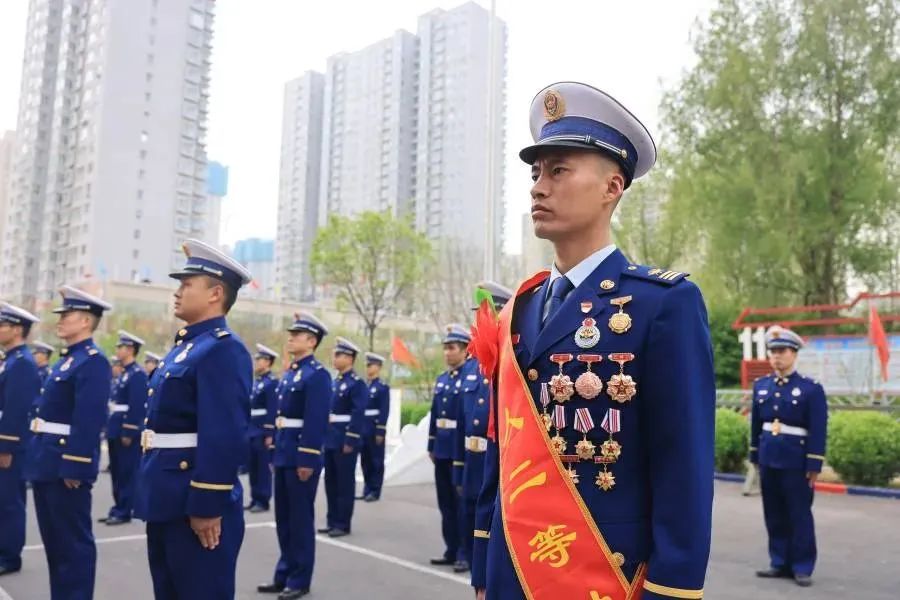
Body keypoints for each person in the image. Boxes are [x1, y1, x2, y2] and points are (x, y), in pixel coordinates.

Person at [472, 82, 715, 600]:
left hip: (604, 572)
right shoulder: (520, 309)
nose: (538, 188)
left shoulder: (662, 304)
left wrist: (671, 591)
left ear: (612, 186)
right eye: (536, 173)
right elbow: (504, 452)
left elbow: (683, 470)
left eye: (559, 171)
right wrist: (483, 561)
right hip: (513, 569)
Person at [134, 239, 253, 600]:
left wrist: (207, 504)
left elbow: (224, 434)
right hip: (165, 494)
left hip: (192, 499)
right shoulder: (185, 348)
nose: (178, 292)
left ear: (216, 293)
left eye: (187, 284)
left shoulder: (223, 349)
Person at [26, 286, 113, 599]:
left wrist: (76, 464)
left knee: (72, 547)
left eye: (67, 315)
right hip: (47, 459)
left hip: (65, 464)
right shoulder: (69, 360)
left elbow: (89, 418)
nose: (60, 320)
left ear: (86, 321)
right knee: (56, 545)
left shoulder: (93, 361)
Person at [258, 313, 332, 599]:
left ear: (311, 341)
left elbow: (315, 421)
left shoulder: (317, 375)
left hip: (300, 456)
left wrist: (307, 458)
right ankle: (284, 573)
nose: (290, 339)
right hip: (284, 453)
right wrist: (274, 452)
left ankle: (299, 579)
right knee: (284, 520)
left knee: (300, 520)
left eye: (296, 335)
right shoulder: (291, 373)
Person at [751, 326, 827, 587]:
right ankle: (779, 561)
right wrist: (755, 456)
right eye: (772, 352)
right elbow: (756, 425)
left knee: (799, 514)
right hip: (769, 457)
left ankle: (802, 566)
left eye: (782, 351)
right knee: (773, 513)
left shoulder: (810, 389)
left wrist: (814, 463)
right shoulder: (761, 386)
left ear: (794, 354)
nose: (776, 357)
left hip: (796, 461)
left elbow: (818, 428)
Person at [457, 282, 512, 578]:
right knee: (471, 508)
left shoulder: (511, 360)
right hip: (475, 452)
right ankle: (468, 558)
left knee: (494, 512)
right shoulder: (475, 366)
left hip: (502, 451)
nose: (478, 323)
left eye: (484, 314)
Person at [0, 303, 42, 576]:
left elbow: (16, 408)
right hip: (5, 440)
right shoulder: (12, 360)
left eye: (2, 325)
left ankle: (9, 555)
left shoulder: (23, 363)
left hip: (11, 445)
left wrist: (6, 446)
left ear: (17, 330)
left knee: (9, 501)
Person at [428, 324, 470, 572]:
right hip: (442, 449)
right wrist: (431, 444)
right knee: (445, 503)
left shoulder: (470, 378)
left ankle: (464, 552)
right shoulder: (442, 380)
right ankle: (451, 548)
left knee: (460, 504)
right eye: (445, 348)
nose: (447, 353)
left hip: (459, 450)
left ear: (465, 350)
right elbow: (435, 415)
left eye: (452, 348)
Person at [318, 337, 367, 538]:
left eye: (339, 355)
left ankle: (342, 523)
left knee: (344, 484)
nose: (335, 358)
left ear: (350, 358)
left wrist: (351, 439)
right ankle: (332, 520)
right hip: (331, 438)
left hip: (344, 439)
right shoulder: (335, 382)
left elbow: (358, 413)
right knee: (331, 482)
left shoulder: (356, 384)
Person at [101, 330, 148, 525]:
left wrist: (129, 430)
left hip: (125, 430)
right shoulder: (125, 373)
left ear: (130, 349)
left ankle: (124, 510)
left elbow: (136, 405)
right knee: (117, 472)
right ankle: (118, 507)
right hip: (115, 428)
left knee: (127, 472)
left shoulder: (137, 374)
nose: (117, 350)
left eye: (120, 347)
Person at [246, 343, 279, 513]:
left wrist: (269, 432)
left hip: (262, 430)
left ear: (267, 362)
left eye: (259, 360)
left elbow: (272, 409)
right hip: (252, 429)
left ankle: (263, 499)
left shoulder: (272, 382)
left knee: (262, 468)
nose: (257, 363)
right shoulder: (258, 382)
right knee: (253, 467)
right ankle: (254, 497)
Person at [357, 351, 390, 502]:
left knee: (376, 460)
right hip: (363, 427)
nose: (368, 368)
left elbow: (384, 410)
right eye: (367, 365)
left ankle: (375, 490)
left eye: (371, 365)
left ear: (378, 367)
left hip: (374, 427)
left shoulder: (382, 387)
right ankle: (367, 489)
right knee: (365, 460)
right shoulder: (364, 386)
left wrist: (380, 430)